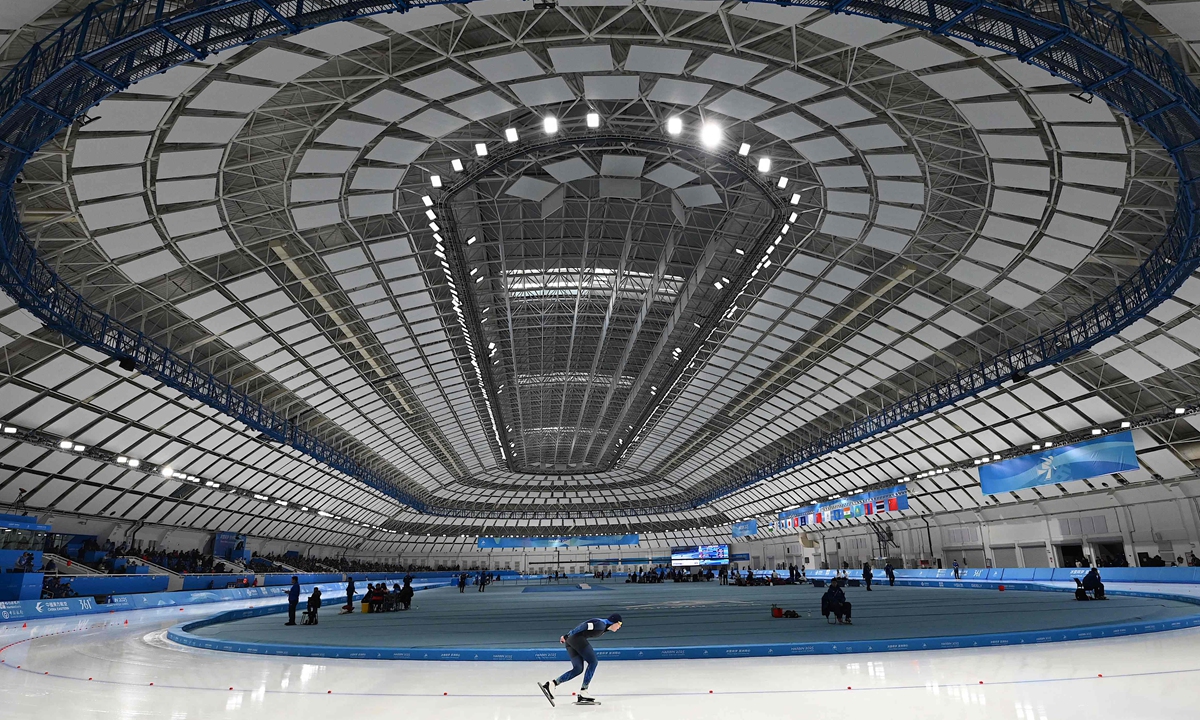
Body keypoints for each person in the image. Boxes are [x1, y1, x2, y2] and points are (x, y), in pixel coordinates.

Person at [538, 614, 623, 706]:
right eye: (620, 624)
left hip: (570, 641)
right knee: (593, 662)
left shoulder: (603, 628)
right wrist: (567, 635)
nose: (620, 627)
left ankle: (552, 684)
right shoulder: (601, 625)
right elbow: (583, 626)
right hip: (576, 639)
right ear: (614, 622)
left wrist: (567, 637)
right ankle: (584, 691)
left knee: (578, 669)